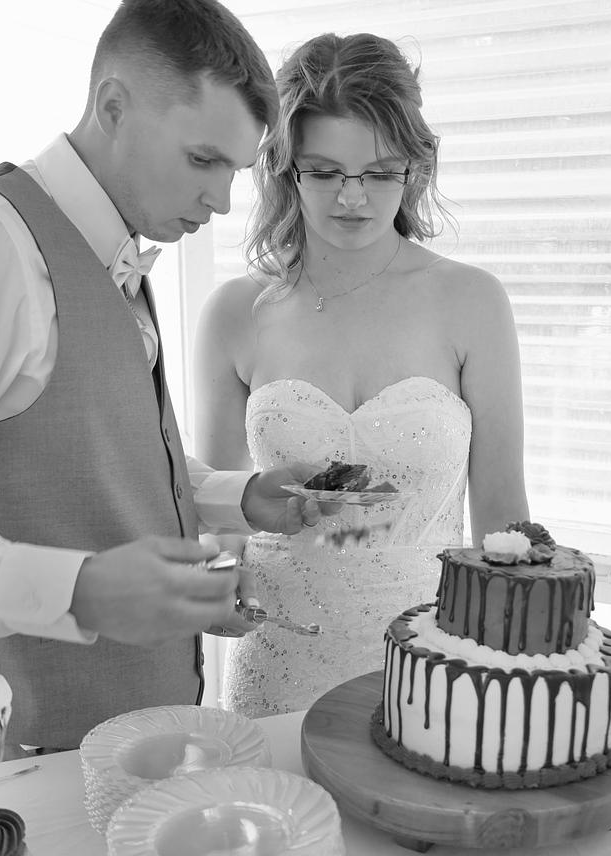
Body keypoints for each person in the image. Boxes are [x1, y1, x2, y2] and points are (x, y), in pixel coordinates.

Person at [0, 0, 320, 751]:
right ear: (113, 106)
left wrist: (238, 497)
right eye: (202, 160)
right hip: (14, 754)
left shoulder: (112, 248)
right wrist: (75, 590)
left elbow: (84, 460)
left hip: (142, 739)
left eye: (233, 171)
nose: (222, 200)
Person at [192, 33, 530, 718]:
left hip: (432, 670)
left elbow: (502, 515)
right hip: (277, 666)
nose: (353, 198)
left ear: (415, 167)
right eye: (324, 172)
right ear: (284, 169)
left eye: (379, 173)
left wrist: (517, 664)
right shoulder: (234, 313)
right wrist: (220, 578)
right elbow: (220, 511)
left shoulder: (472, 301)